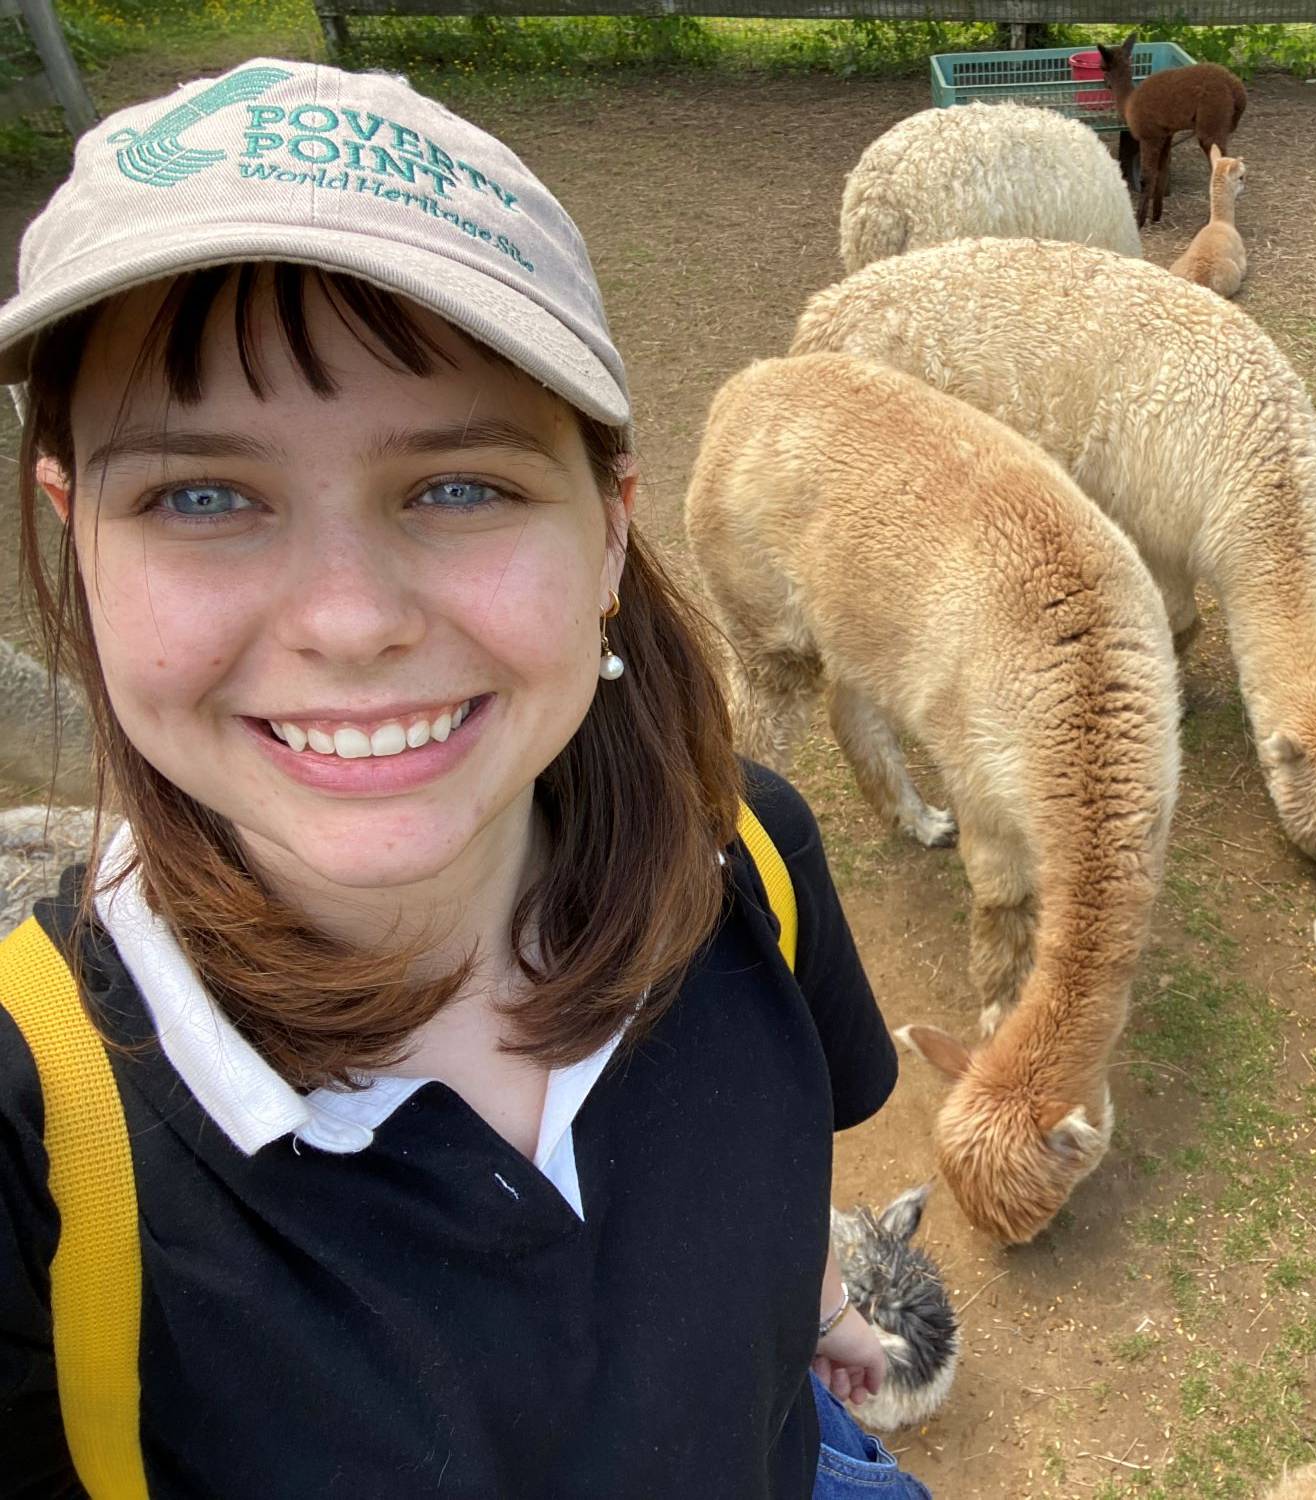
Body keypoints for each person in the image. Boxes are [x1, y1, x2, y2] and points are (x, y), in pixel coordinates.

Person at [0, 58, 928, 1499]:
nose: (349, 618)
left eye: (458, 485)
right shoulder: (38, 1144)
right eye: (201, 495)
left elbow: (779, 1154)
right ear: (76, 535)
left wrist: (814, 1314)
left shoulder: (745, 855)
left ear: (610, 533)